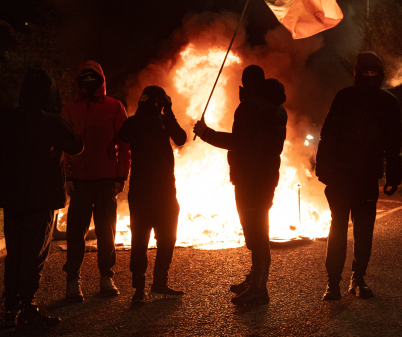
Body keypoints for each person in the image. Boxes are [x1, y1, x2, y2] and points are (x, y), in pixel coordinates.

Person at [0, 68, 84, 329]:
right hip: (41, 200)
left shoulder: (7, 119)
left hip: (12, 199)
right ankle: (27, 309)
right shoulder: (51, 121)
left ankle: (11, 307)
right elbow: (77, 145)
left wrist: (4, 185)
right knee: (33, 255)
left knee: (15, 253)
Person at [194, 68, 287, 306]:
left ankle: (259, 288)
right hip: (265, 177)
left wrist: (206, 133)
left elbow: (239, 142)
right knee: (258, 230)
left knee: (255, 232)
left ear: (246, 84)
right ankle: (255, 278)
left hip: (249, 178)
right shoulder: (276, 109)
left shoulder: (250, 107)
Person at [315, 52, 402, 302]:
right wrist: (324, 169)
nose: (370, 77)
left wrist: (393, 174)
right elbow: (328, 135)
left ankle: (356, 278)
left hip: (363, 178)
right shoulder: (346, 98)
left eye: (373, 73)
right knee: (341, 228)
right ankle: (335, 282)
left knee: (361, 230)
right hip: (342, 177)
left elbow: (392, 143)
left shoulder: (386, 102)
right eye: (367, 72)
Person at [62, 61, 130, 301]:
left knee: (106, 231)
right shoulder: (70, 108)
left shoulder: (114, 107)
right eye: (85, 79)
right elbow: (65, 147)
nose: (89, 84)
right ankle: (73, 280)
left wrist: (120, 176)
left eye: (94, 79)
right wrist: (67, 176)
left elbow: (124, 144)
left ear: (101, 81)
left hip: (106, 180)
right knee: (75, 232)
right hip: (79, 180)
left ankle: (106, 277)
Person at [119, 85, 187, 303]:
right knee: (152, 239)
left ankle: (148, 287)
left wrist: (166, 113)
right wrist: (166, 112)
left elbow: (181, 138)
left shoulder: (155, 121)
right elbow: (124, 134)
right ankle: (147, 286)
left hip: (152, 192)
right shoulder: (143, 121)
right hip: (156, 192)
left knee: (152, 239)